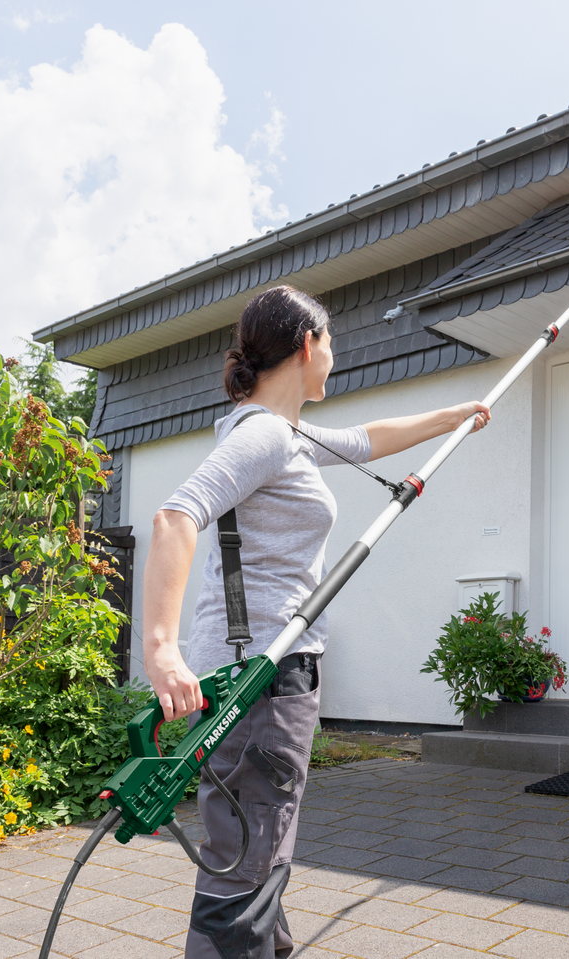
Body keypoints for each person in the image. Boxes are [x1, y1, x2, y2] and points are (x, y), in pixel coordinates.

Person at [141, 285, 490, 959]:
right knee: (246, 866)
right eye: (330, 342)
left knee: (257, 854)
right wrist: (160, 649)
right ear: (307, 344)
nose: (334, 356)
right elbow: (175, 516)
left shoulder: (280, 431)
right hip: (261, 680)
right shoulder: (266, 434)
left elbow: (365, 441)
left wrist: (456, 415)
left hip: (263, 674)